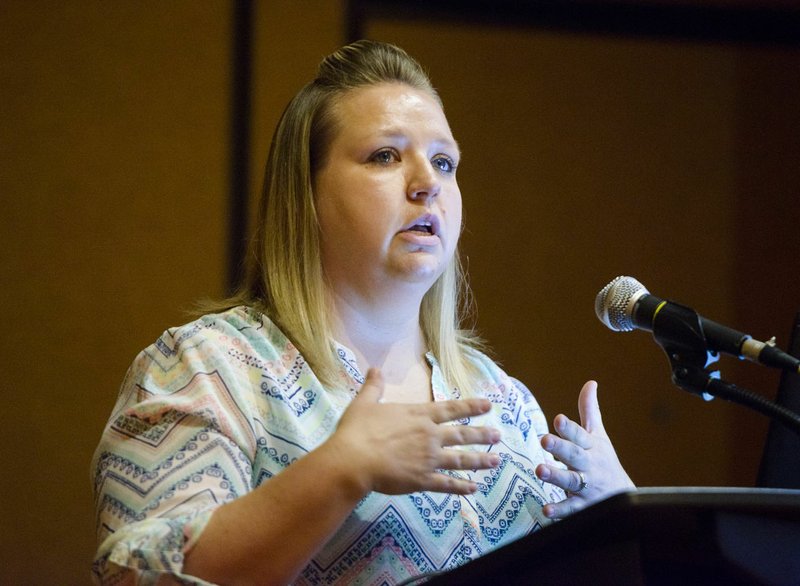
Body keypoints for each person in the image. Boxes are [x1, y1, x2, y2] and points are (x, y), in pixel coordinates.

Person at [91, 40, 634, 585]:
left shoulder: (505, 403)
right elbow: (138, 573)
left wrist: (622, 523)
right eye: (385, 156)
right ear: (305, 194)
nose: (428, 184)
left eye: (444, 162)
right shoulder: (211, 368)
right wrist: (338, 472)